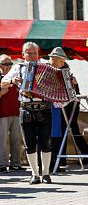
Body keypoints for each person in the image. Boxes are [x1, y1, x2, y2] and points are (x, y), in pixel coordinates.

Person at [1, 42, 53, 184]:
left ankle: (46, 174)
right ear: (23, 55)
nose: (31, 56)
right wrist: (12, 80)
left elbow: (56, 84)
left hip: (44, 108)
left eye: (34, 53)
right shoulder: (18, 67)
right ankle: (35, 175)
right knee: (29, 143)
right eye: (28, 53)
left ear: (38, 54)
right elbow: (3, 82)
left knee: (45, 142)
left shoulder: (47, 68)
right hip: (26, 108)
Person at [48, 47, 88, 170]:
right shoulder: (49, 68)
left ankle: (65, 159)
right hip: (59, 107)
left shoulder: (65, 70)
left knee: (70, 130)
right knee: (64, 132)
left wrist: (75, 84)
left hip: (70, 107)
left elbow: (74, 92)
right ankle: (62, 159)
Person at [0, 54, 23, 172]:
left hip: (16, 112)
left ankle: (16, 163)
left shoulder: (16, 77)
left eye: (10, 64)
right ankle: (2, 164)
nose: (9, 66)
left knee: (16, 139)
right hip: (2, 113)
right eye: (6, 64)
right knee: (2, 140)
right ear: (0, 66)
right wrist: (3, 92)